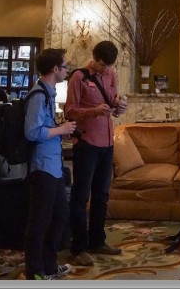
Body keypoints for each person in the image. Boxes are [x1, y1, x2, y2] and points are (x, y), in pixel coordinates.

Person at [64, 40, 128, 266]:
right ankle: (78, 247)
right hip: (87, 143)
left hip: (107, 143)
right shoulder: (78, 77)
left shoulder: (111, 74)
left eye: (109, 66)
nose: (106, 69)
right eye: (102, 65)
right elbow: (69, 112)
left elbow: (113, 103)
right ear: (94, 58)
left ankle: (97, 241)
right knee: (81, 196)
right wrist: (93, 111)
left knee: (102, 195)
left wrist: (120, 107)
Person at [22, 47, 77, 281]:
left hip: (54, 165)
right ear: (55, 69)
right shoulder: (38, 95)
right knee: (40, 221)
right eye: (65, 66)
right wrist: (60, 129)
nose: (67, 70)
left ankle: (50, 265)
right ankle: (35, 271)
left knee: (59, 216)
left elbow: (45, 128)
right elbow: (32, 132)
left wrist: (60, 133)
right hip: (42, 166)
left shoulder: (49, 92)